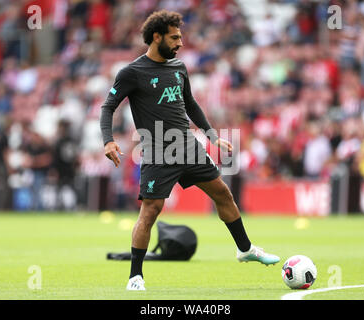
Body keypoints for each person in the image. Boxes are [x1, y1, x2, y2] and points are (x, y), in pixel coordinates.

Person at [100, 10, 280, 291]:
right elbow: (108, 106)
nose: (180, 43)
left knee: (222, 192)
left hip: (188, 146)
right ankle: (135, 276)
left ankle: (245, 249)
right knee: (151, 211)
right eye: (175, 38)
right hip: (158, 151)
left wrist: (212, 137)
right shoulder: (132, 72)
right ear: (156, 37)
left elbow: (191, 104)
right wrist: (108, 139)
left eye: (180, 38)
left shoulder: (178, 68)